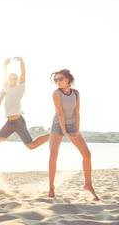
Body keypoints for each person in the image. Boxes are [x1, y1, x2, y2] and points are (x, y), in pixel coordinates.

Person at [0, 57, 50, 164]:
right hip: (9, 123)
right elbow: (3, 76)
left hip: (18, 122)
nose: (13, 79)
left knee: (31, 146)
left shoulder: (20, 88)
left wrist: (22, 61)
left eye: (15, 78)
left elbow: (23, 74)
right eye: (11, 78)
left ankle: (52, 134)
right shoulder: (7, 88)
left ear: (17, 80)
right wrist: (5, 64)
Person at [48, 69, 99, 200]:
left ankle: (88, 184)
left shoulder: (76, 93)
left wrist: (77, 130)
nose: (58, 82)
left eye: (60, 79)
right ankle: (51, 187)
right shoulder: (56, 93)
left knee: (87, 154)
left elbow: (77, 112)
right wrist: (64, 132)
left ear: (68, 79)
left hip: (72, 126)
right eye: (55, 80)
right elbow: (60, 114)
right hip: (58, 126)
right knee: (53, 155)